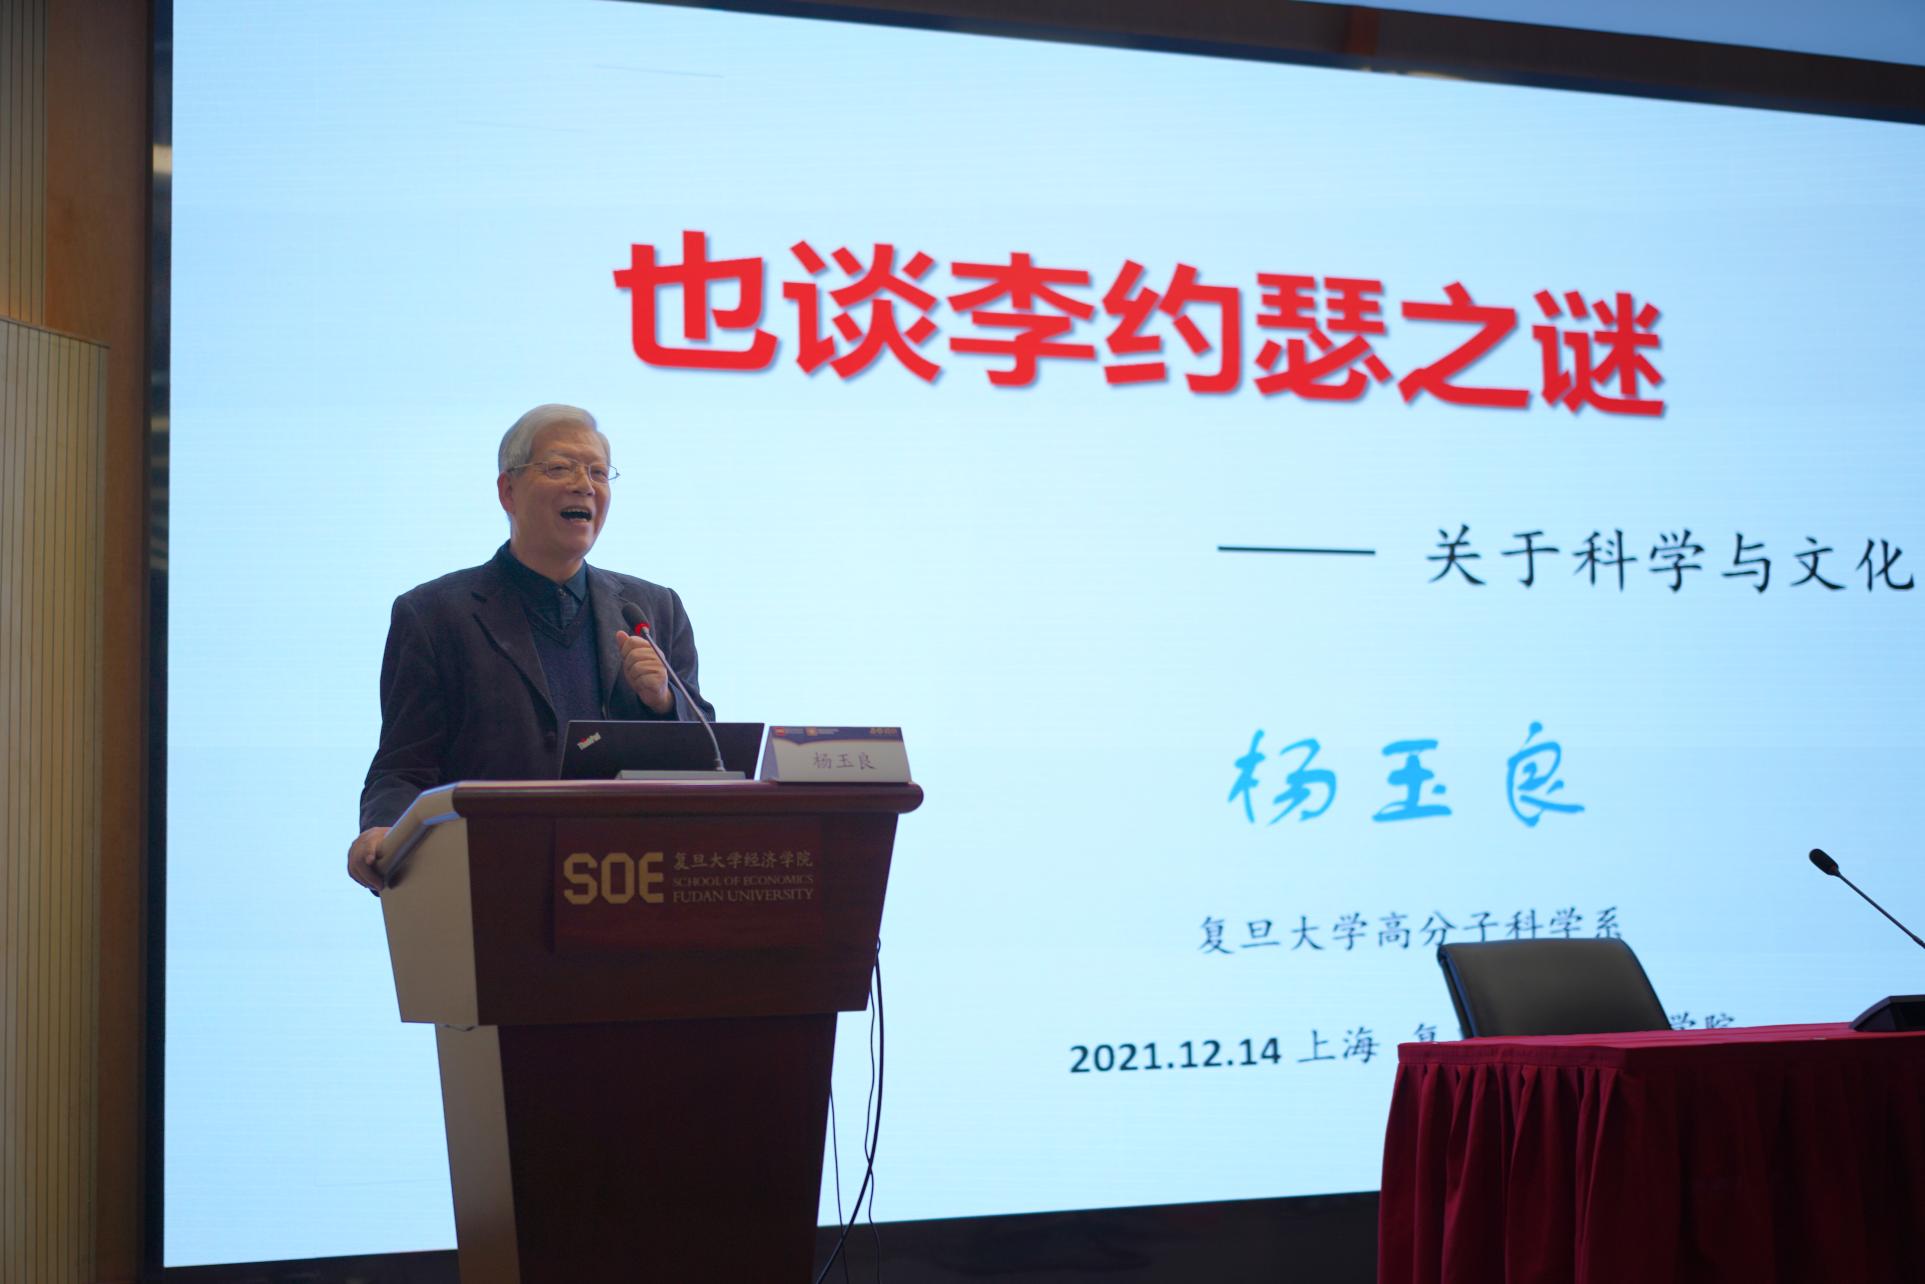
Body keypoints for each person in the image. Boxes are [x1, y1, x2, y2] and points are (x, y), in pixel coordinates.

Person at [345, 404, 712, 891]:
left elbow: (711, 759)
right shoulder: (434, 615)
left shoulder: (654, 608)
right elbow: (404, 765)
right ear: (508, 491)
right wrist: (383, 829)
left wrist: (663, 703)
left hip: (635, 883)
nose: (584, 485)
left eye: (598, 472)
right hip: (492, 881)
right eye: (559, 467)